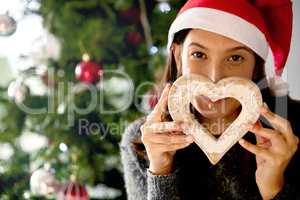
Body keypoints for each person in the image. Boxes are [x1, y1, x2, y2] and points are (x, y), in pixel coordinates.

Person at [119, 0, 300, 199]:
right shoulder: (141, 142)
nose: (215, 78)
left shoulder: (292, 132)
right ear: (179, 58)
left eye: (235, 58)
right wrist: (160, 172)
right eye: (198, 54)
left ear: (255, 66)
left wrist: (274, 189)